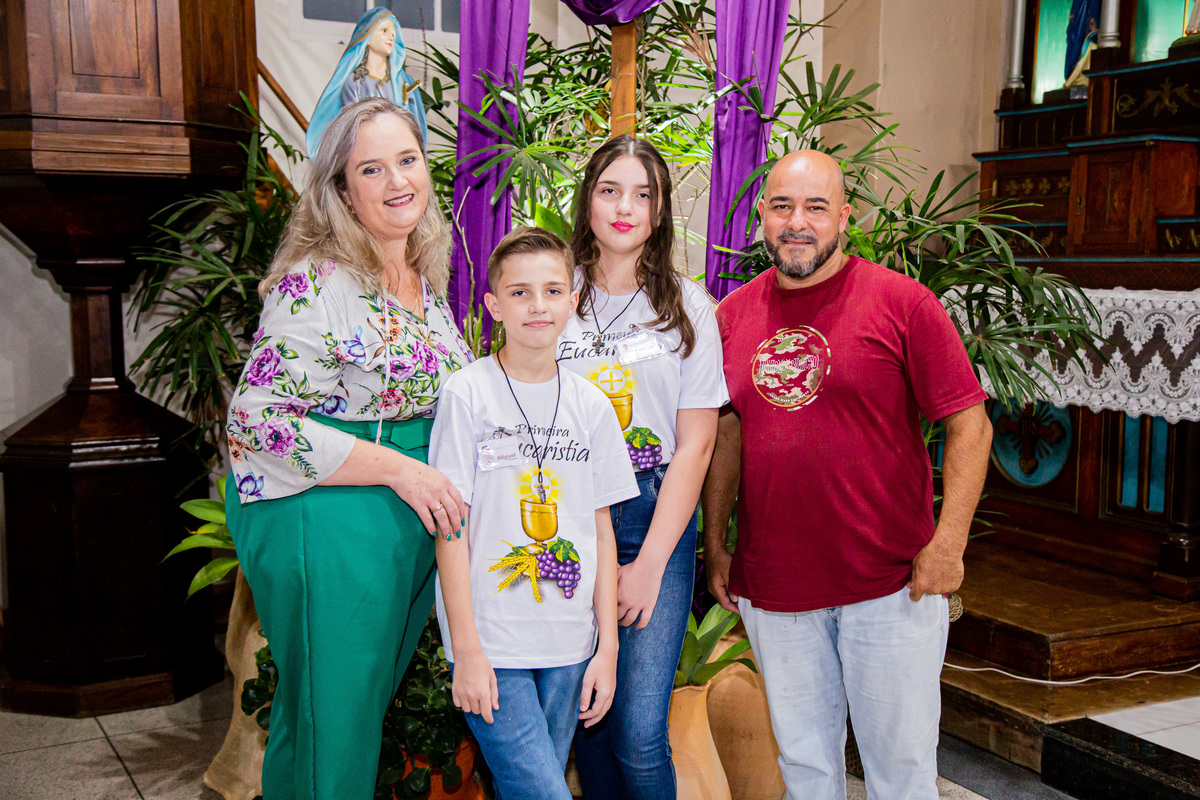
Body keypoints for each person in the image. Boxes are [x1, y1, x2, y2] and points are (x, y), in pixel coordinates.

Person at [701, 150, 993, 800]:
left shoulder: (903, 303)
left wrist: (949, 544)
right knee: (806, 772)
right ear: (762, 216)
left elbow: (971, 426)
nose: (797, 222)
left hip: (891, 586)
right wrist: (716, 541)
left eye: (815, 207)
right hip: (777, 587)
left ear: (844, 218)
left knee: (901, 774)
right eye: (782, 206)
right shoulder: (733, 317)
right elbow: (727, 434)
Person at [225, 98, 470, 800]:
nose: (397, 181)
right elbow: (258, 420)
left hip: (400, 513)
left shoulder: (421, 275)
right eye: (371, 168)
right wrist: (400, 470)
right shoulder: (319, 281)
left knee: (346, 717)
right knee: (331, 726)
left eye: (407, 160)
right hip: (327, 513)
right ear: (340, 189)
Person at [429, 226, 639, 800]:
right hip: (493, 643)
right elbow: (450, 529)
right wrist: (466, 650)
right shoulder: (467, 394)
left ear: (574, 301)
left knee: (521, 789)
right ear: (494, 305)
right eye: (519, 292)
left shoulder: (592, 406)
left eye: (552, 290)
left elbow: (600, 532)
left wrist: (607, 649)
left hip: (570, 645)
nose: (537, 306)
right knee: (542, 791)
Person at [559, 135, 728, 800]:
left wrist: (652, 562)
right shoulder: (555, 293)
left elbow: (697, 445)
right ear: (589, 202)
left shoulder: (688, 306)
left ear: (659, 212)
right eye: (610, 191)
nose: (625, 208)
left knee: (637, 730)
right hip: (569, 517)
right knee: (587, 721)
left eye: (642, 194)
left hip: (653, 514)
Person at [306, 7, 427, 158]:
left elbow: (415, 127)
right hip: (367, 155)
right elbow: (353, 126)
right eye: (384, 31)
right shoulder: (354, 82)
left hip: (399, 154)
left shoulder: (404, 81)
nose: (391, 37)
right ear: (367, 36)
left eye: (393, 33)